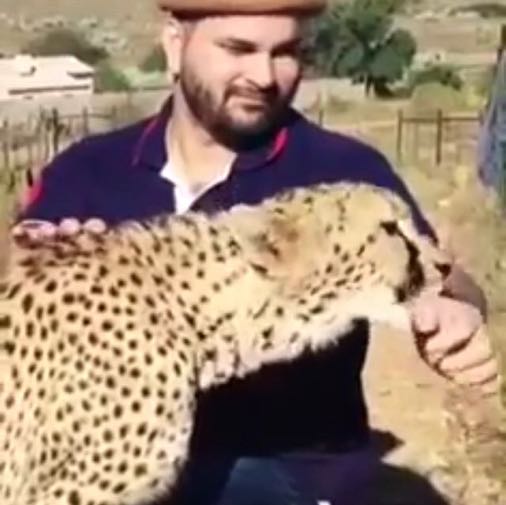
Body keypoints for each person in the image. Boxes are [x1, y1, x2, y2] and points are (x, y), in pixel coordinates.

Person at [14, 1, 498, 504]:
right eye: (238, 49)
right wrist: (50, 258)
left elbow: (439, 273)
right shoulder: (86, 170)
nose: (264, 77)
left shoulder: (344, 171)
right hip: (115, 453)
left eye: (285, 52)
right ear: (175, 44)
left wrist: (454, 307)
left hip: (294, 472)